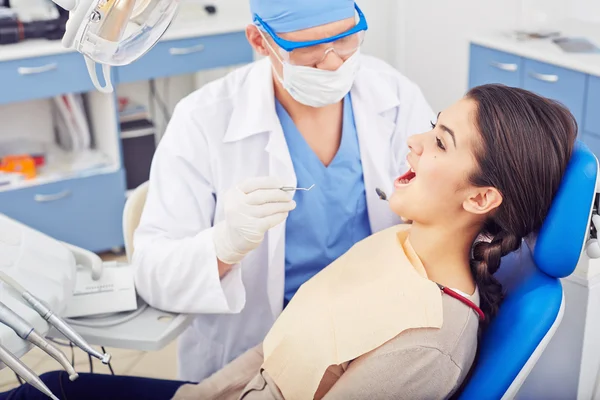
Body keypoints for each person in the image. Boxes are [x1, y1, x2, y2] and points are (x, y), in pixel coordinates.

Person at [0, 84, 578, 400]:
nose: (413, 141)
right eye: (431, 125)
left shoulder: (428, 344)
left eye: (441, 141)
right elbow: (275, 348)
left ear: (480, 200)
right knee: (45, 389)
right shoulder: (395, 244)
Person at [131, 0, 435, 383]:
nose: (333, 63)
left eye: (345, 41)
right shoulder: (203, 119)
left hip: (371, 334)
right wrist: (224, 246)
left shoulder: (393, 95)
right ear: (260, 41)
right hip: (259, 349)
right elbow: (152, 273)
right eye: (309, 51)